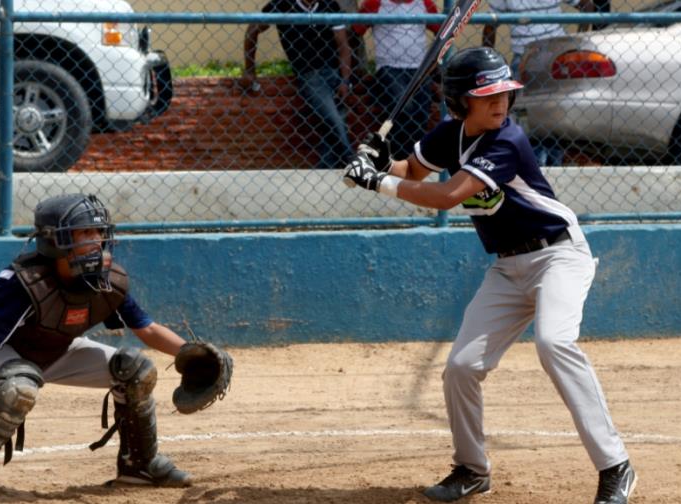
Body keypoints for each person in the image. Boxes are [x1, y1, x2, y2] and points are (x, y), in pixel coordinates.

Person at [343, 47, 637, 504]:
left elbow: (446, 196)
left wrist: (375, 182)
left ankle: (616, 465)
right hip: (507, 267)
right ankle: (472, 469)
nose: (500, 102)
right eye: (487, 95)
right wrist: (380, 162)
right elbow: (412, 171)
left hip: (558, 255)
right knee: (461, 367)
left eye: (504, 92)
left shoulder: (508, 141)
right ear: (461, 102)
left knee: (554, 343)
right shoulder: (450, 135)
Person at [0, 194, 192, 504]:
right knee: (19, 389)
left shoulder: (104, 280)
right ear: (55, 240)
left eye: (98, 233)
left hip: (54, 352)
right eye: (83, 234)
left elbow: (147, 329)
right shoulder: (25, 282)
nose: (95, 242)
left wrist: (192, 355)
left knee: (136, 370)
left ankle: (140, 464)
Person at [241, 0, 355, 169]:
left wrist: (345, 80)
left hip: (335, 72)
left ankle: (324, 173)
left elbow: (343, 46)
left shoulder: (329, 5)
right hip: (310, 74)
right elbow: (252, 31)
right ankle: (352, 163)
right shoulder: (282, 5)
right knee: (334, 121)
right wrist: (250, 69)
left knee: (331, 130)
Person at [482, 0, 594, 166]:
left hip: (549, 54)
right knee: (542, 115)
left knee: (539, 116)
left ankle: (541, 168)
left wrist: (577, 45)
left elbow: (490, 25)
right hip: (534, 56)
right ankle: (541, 168)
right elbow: (491, 22)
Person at [352, 0, 441, 159]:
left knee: (421, 112)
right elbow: (355, 31)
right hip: (389, 67)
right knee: (404, 109)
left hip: (418, 69)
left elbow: (442, 31)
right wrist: (356, 68)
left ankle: (413, 157)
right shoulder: (375, 3)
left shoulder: (424, 3)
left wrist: (435, 62)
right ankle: (401, 158)